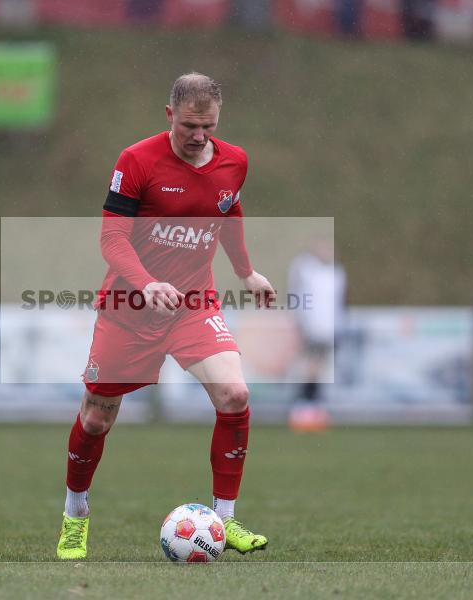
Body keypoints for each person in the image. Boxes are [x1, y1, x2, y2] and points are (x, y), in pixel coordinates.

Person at [56, 73, 275, 560]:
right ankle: (76, 514)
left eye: (209, 126)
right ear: (169, 115)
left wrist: (246, 272)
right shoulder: (136, 161)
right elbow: (112, 239)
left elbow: (228, 212)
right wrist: (146, 283)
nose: (200, 137)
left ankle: (225, 518)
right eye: (190, 126)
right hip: (130, 308)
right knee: (95, 419)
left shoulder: (234, 161)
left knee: (235, 394)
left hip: (193, 303)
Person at [286, 238, 346, 431]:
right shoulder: (306, 269)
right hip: (311, 327)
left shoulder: (336, 273)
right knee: (309, 366)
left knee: (320, 367)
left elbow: (337, 303)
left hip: (329, 329)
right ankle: (303, 403)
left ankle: (314, 404)